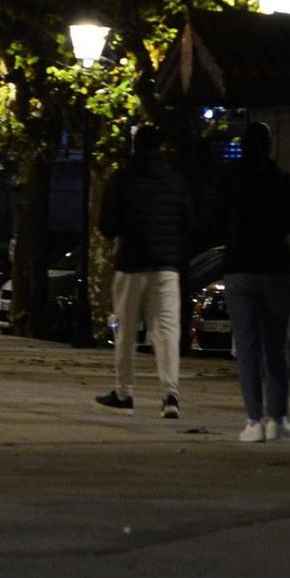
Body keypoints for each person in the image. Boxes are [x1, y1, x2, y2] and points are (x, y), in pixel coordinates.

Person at [95, 124, 193, 418]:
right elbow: (189, 221)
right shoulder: (176, 182)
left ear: (134, 145)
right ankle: (170, 395)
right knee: (166, 332)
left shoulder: (122, 179)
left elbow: (107, 226)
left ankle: (124, 392)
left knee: (126, 330)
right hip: (167, 267)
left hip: (131, 264)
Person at [219, 121, 290, 442]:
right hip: (276, 268)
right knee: (276, 346)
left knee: (247, 346)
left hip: (239, 266)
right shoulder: (282, 180)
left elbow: (214, 218)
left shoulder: (230, 181)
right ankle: (277, 417)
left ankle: (253, 419)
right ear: (270, 146)